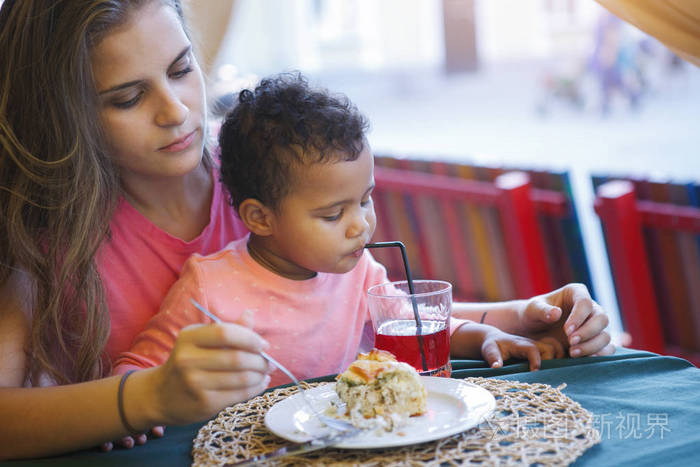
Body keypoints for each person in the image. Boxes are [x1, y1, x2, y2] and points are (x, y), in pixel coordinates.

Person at [0, 0, 612, 460]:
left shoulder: (270, 169)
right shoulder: (42, 238)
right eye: (128, 98)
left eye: (182, 68)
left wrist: (519, 314)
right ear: (67, 113)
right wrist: (145, 399)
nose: (176, 109)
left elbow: (348, 305)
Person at [114, 73, 561, 385]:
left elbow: (413, 324)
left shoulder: (359, 270)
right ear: (260, 218)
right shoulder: (207, 287)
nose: (360, 225)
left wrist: (486, 336)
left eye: (365, 200)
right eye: (333, 214)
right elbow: (136, 372)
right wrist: (141, 409)